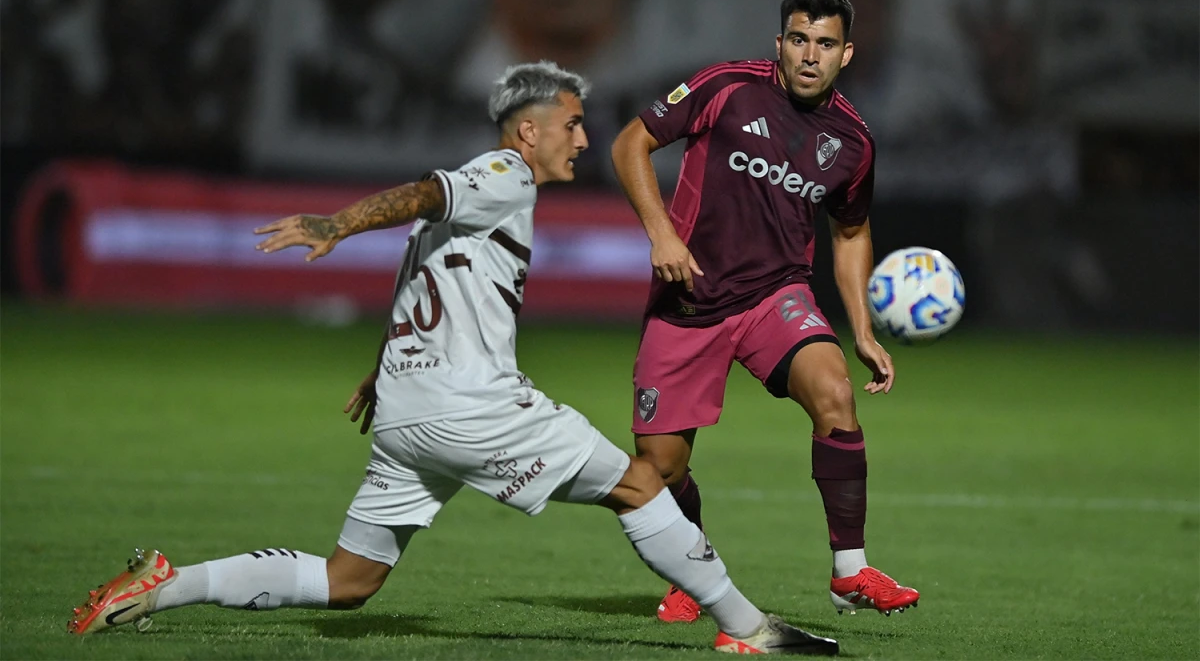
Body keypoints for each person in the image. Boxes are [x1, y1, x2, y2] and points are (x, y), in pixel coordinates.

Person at [67, 61, 838, 656]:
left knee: (349, 581)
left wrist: (380, 372)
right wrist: (335, 223)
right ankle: (748, 628)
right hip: (474, 407)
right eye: (569, 125)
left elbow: (417, 277)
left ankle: (165, 587)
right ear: (527, 133)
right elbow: (421, 193)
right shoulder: (502, 176)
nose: (580, 138)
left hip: (408, 416)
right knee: (642, 483)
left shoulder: (480, 205)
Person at [609, 0, 919, 623]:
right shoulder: (726, 86)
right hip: (689, 301)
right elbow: (628, 144)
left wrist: (860, 329)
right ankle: (692, 571)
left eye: (825, 43)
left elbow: (852, 231)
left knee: (835, 394)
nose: (810, 55)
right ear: (779, 43)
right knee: (658, 470)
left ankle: (850, 572)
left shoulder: (852, 141)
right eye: (799, 39)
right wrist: (663, 234)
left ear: (846, 53)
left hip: (775, 295)